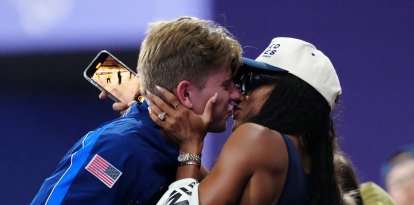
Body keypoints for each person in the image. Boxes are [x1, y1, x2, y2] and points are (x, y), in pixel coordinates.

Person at [31, 16, 242, 205]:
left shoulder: (173, 147)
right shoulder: (116, 147)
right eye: (226, 86)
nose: (236, 95)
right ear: (185, 93)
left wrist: (189, 147)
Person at [149, 37, 344, 204]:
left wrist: (190, 145)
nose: (239, 94)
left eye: (252, 81)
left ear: (289, 94)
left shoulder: (257, 138)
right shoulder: (307, 162)